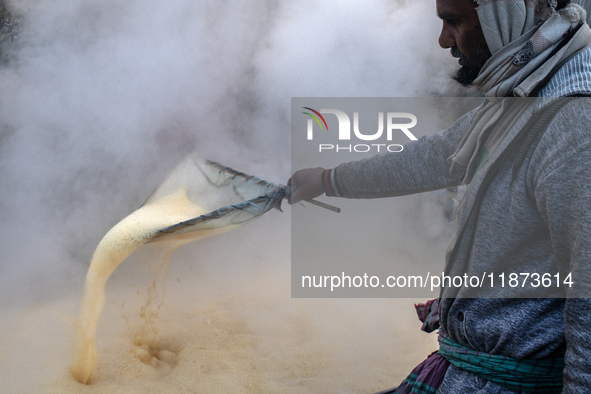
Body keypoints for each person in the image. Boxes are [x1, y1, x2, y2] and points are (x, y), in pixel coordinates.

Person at [289, 0, 591, 392]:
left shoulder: (573, 123)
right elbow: (438, 155)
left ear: (505, 16)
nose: (443, 40)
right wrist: (329, 180)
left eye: (454, 22)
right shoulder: (524, 93)